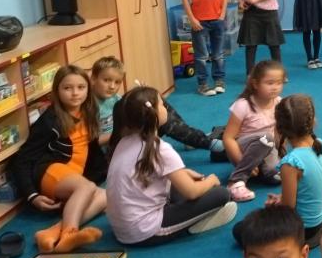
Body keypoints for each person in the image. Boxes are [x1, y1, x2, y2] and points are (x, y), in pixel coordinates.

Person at [106, 87, 236, 245]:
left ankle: (191, 214)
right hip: (146, 232)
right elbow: (191, 192)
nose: (166, 107)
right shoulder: (160, 148)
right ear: (153, 113)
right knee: (221, 194)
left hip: (122, 229)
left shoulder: (123, 141)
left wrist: (183, 173)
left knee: (181, 182)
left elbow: (151, 171)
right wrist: (211, 180)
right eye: (162, 104)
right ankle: (195, 222)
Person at [10, 65, 107, 252]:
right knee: (87, 187)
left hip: (73, 176)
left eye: (81, 87)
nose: (75, 93)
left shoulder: (89, 111)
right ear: (57, 91)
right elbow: (22, 159)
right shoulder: (50, 120)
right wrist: (32, 195)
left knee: (106, 196)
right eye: (67, 88)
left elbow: (92, 148)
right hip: (51, 171)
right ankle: (69, 235)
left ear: (88, 89)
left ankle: (51, 233)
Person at [232, 94, 322, 247]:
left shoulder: (291, 163)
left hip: (305, 229)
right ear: (312, 121)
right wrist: (281, 198)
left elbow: (288, 209)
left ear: (278, 127)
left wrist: (277, 205)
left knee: (240, 229)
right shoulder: (321, 145)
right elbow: (307, 188)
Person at [93, 56, 219, 152]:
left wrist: (141, 94)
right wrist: (121, 133)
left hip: (127, 137)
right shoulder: (90, 106)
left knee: (155, 101)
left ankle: (190, 137)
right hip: (115, 148)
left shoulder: (115, 98)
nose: (112, 86)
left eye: (117, 82)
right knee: (158, 116)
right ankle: (203, 141)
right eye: (106, 80)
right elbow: (91, 142)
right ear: (93, 78)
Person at [223, 60, 285, 202]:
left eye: (279, 83)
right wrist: (241, 161)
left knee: (277, 176)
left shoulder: (279, 102)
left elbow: (280, 133)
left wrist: (283, 156)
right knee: (266, 138)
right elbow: (228, 138)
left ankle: (260, 170)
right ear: (255, 84)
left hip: (267, 147)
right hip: (244, 148)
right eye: (270, 83)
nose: (275, 87)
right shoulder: (243, 105)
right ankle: (235, 181)